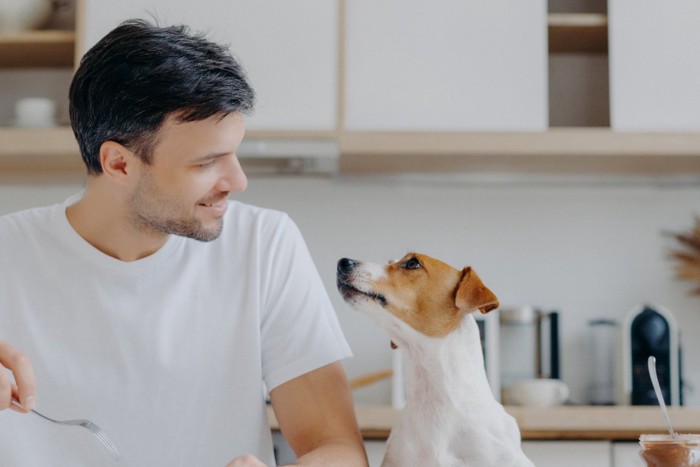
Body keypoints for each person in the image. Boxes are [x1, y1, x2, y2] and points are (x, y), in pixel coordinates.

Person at [0, 19, 367, 467]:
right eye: (207, 163)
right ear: (118, 164)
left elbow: (339, 451)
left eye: (235, 153)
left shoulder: (264, 244)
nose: (238, 180)